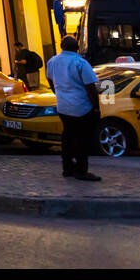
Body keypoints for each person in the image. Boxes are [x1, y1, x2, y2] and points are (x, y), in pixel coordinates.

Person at [46, 34, 102, 182]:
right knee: (82, 140)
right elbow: (90, 87)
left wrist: (58, 92)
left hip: (63, 107)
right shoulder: (80, 62)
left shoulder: (52, 61)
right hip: (81, 107)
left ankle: (67, 168)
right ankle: (81, 170)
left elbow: (50, 79)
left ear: (61, 46)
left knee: (67, 138)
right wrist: (96, 108)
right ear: (77, 48)